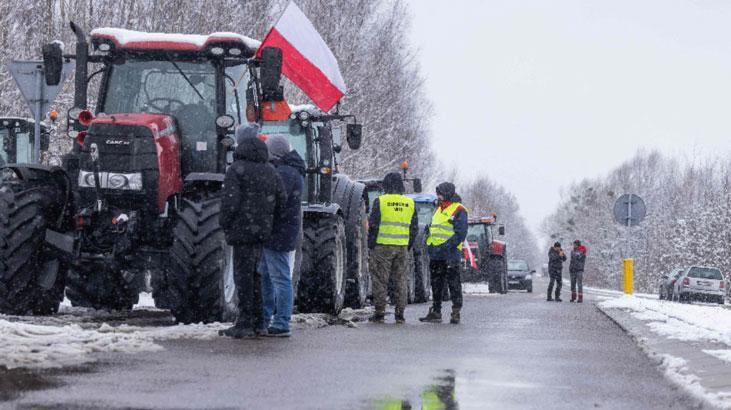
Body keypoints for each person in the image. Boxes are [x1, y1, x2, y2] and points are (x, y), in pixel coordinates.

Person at [219, 124, 286, 339]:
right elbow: (282, 201)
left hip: (241, 232)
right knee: (257, 277)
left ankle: (245, 322)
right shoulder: (271, 171)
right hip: (262, 233)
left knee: (243, 277)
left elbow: (231, 202)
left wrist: (226, 223)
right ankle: (259, 322)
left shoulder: (236, 170)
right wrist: (268, 222)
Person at [259, 134, 305, 337]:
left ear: (274, 152)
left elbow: (276, 202)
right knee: (268, 275)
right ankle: (267, 317)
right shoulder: (291, 171)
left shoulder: (285, 173)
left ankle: (281, 321)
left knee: (279, 278)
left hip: (277, 232)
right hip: (281, 231)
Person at [367, 172, 419, 324]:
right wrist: (407, 245)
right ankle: (400, 314)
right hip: (402, 248)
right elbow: (414, 228)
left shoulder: (381, 201)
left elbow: (373, 225)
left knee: (380, 280)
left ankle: (380, 312)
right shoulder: (410, 203)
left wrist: (372, 244)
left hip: (382, 247)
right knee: (401, 280)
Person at [420, 182, 468, 324]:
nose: (438, 196)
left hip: (450, 253)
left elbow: (461, 233)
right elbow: (435, 227)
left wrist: (447, 246)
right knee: (436, 283)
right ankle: (436, 311)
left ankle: (456, 312)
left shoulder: (459, 210)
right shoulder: (438, 209)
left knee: (454, 283)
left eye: (440, 193)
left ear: (447, 193)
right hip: (435, 252)